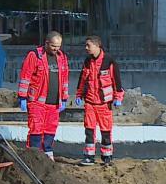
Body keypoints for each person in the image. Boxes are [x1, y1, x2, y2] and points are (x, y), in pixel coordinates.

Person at [17, 31, 70, 161]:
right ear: (46, 43)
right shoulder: (35, 55)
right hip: (37, 101)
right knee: (36, 128)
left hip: (54, 102)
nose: (56, 49)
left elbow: (64, 79)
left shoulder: (61, 57)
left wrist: (64, 98)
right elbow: (26, 76)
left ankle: (47, 152)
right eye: (53, 46)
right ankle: (34, 155)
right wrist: (22, 96)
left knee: (50, 128)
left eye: (58, 46)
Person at [75, 35, 124, 165]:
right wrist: (79, 95)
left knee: (106, 130)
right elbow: (82, 79)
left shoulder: (109, 61)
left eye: (88, 45)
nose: (86, 48)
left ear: (97, 46)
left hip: (104, 103)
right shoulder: (87, 61)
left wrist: (118, 97)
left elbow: (116, 81)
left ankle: (107, 156)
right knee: (89, 130)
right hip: (90, 102)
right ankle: (89, 156)